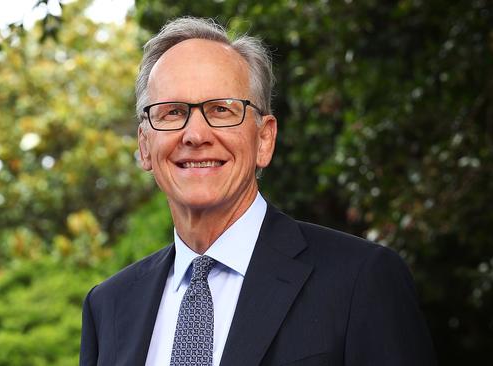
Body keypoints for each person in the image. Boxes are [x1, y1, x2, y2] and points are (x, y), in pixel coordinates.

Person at [80, 16, 436, 366]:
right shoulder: (108, 306)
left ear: (264, 138)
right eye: (173, 112)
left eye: (221, 110)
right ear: (144, 145)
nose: (196, 135)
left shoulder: (360, 281)